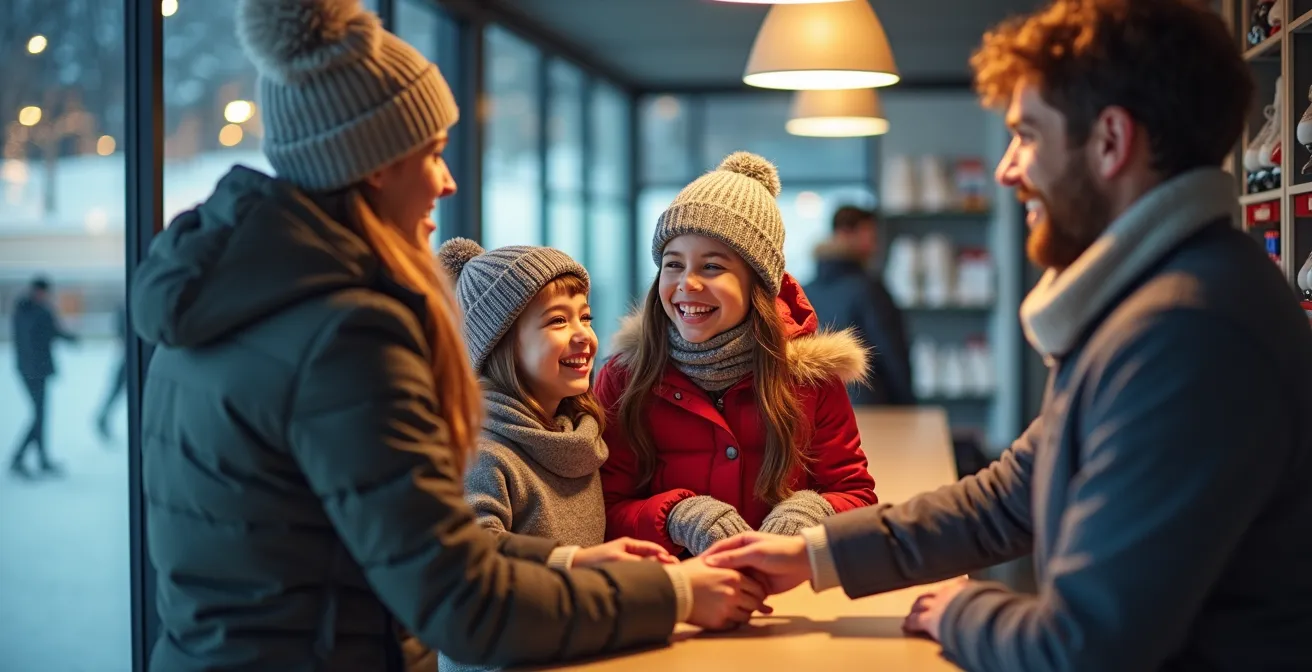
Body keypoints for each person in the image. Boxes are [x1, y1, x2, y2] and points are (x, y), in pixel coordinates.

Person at [129, 1, 765, 670]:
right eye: (431, 154)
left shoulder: (221, 299)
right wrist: (671, 595)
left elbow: (399, 544)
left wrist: (568, 560)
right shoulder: (346, 333)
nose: (447, 179)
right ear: (374, 163)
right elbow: (466, 606)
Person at [703, 1, 1312, 670]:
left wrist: (960, 609)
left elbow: (1082, 645)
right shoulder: (1155, 299)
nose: (1007, 169)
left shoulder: (1190, 334)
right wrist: (817, 554)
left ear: (1111, 141)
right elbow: (1010, 496)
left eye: (1027, 135)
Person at [598, 151, 879, 557]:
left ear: (758, 283)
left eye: (712, 267)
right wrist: (675, 515)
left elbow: (856, 497)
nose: (687, 283)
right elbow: (601, 510)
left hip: (785, 596)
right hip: (673, 601)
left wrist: (812, 512)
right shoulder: (627, 377)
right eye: (673, 265)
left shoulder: (811, 378)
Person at [434, 238, 693, 672]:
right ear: (500, 345)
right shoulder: (480, 450)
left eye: (585, 317)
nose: (584, 336)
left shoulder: (580, 435)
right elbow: (473, 562)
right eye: (557, 321)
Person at [805, 206, 915, 406]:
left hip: (819, 410)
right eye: (870, 236)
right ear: (846, 233)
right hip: (870, 407)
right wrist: (907, 403)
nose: (875, 246)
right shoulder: (869, 290)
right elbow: (892, 354)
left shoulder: (805, 291)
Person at [9, 275, 77, 478]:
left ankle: (41, 459)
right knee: (39, 416)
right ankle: (18, 458)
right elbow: (40, 335)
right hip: (31, 370)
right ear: (38, 291)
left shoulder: (33, 310)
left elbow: (52, 332)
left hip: (37, 369)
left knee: (41, 415)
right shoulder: (29, 311)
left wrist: (70, 338)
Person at [95, 302, 127, 442]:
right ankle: (102, 418)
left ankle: (102, 418)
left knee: (115, 392)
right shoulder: (124, 310)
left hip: (127, 359)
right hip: (128, 360)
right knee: (116, 392)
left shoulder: (123, 310)